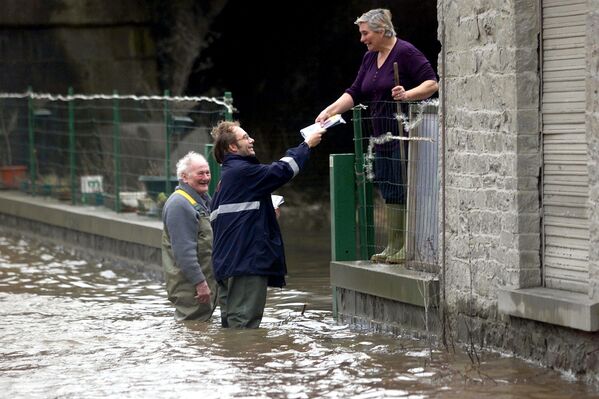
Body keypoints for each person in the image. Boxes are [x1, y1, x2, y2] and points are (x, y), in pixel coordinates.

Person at [315, 8, 438, 264]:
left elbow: (431, 83)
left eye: (365, 33)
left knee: (402, 186)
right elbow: (355, 91)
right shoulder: (369, 58)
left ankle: (407, 245)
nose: (362, 39)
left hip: (404, 134)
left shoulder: (406, 52)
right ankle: (393, 244)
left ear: (381, 30)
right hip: (379, 135)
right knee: (387, 185)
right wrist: (329, 110)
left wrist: (407, 94)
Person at [210, 120, 324, 328]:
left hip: (227, 265)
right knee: (245, 328)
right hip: (244, 263)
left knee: (231, 327)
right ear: (232, 147)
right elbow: (281, 170)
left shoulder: (223, 182)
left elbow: (233, 221)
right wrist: (306, 145)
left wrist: (265, 214)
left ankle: (230, 360)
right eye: (245, 137)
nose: (251, 139)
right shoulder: (242, 172)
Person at [161, 151, 218, 321]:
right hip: (191, 288)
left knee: (199, 336)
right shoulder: (179, 204)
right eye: (200, 173)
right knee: (191, 331)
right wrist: (200, 284)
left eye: (208, 172)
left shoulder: (202, 199)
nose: (206, 177)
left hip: (204, 283)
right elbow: (184, 252)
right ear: (184, 177)